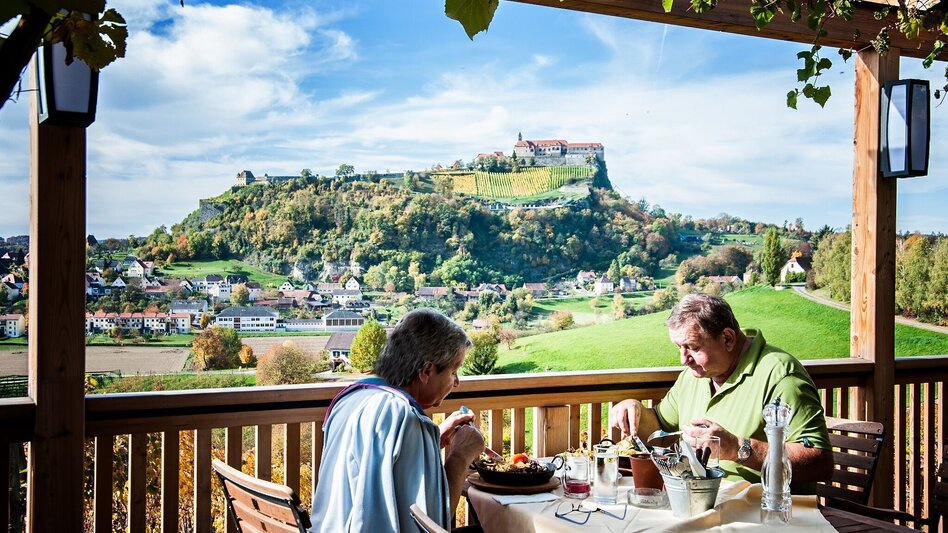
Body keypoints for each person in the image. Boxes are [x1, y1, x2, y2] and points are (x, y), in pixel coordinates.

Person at [609, 293, 833, 488]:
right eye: (679, 347)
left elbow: (819, 462)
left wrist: (738, 448)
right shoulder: (694, 375)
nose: (683, 359)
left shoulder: (781, 376)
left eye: (693, 348)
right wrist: (635, 410)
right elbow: (660, 428)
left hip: (766, 516)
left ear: (728, 338)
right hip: (702, 507)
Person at [310, 308, 485, 532]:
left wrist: (432, 440)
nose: (457, 382)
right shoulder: (406, 418)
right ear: (427, 371)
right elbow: (433, 523)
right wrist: (461, 454)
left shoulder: (351, 398)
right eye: (454, 371)